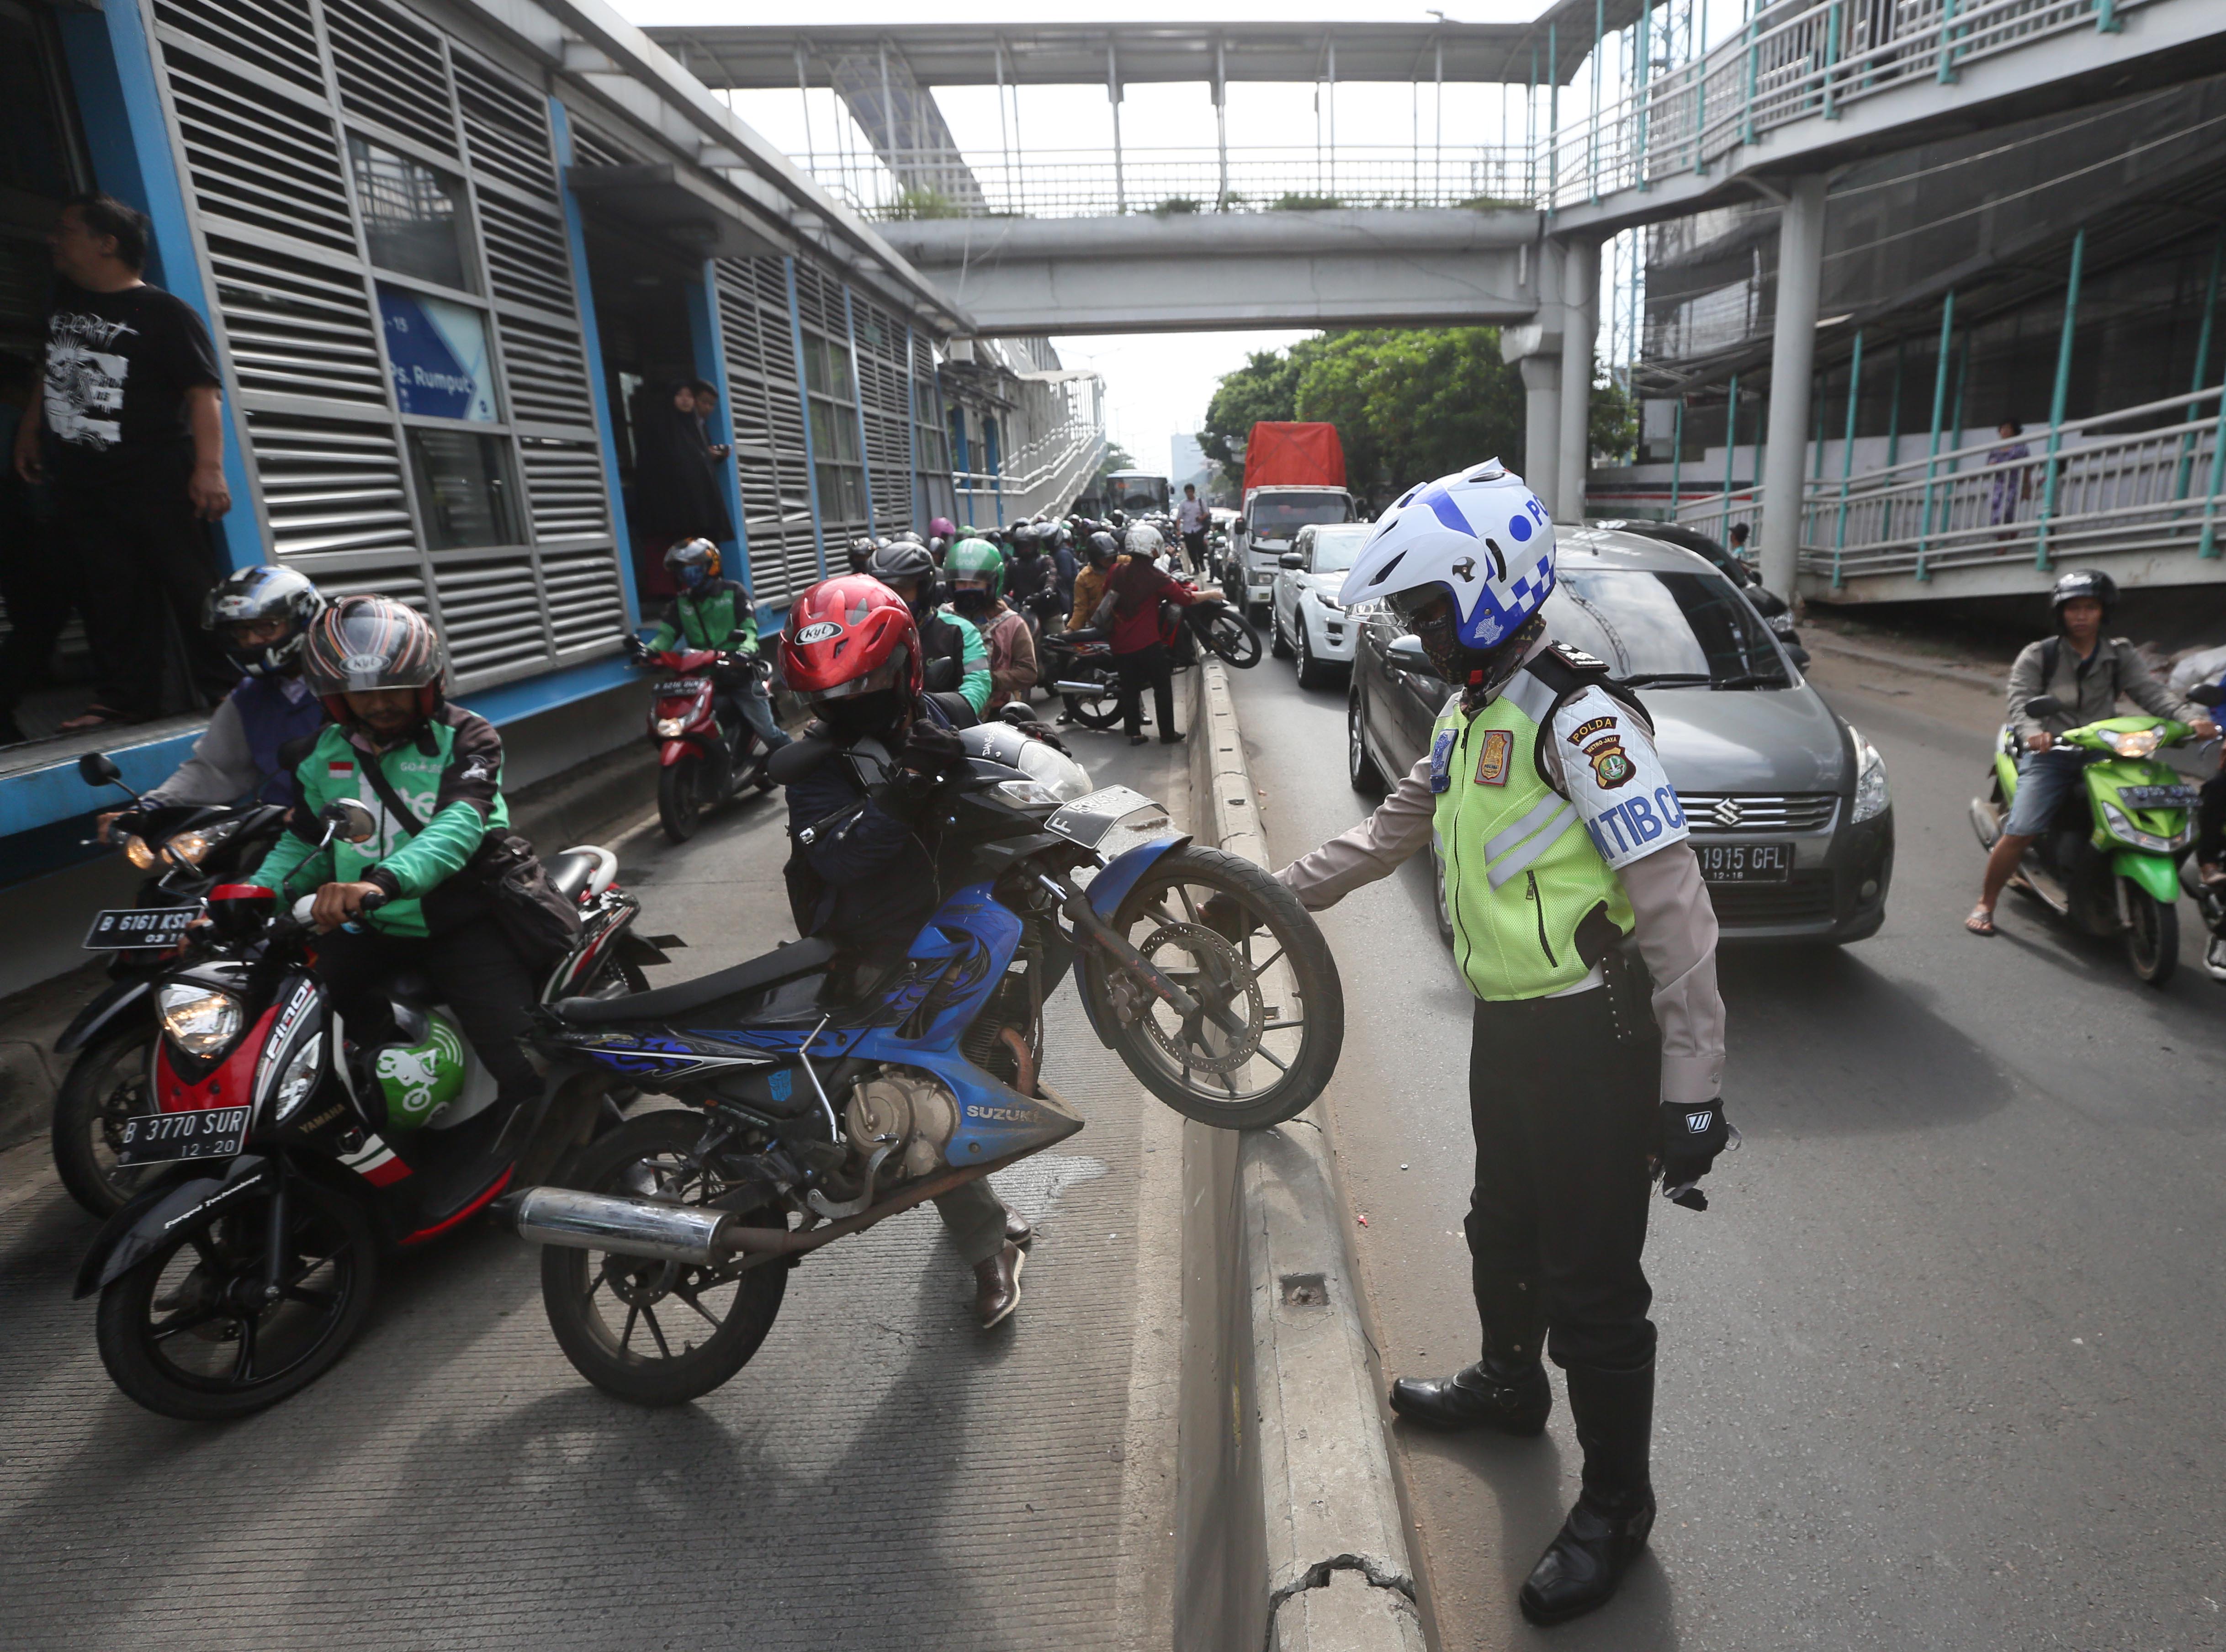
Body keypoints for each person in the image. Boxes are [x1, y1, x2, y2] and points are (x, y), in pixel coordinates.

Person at [1267, 461, 1730, 1627]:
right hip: (1511, 1029)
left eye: (1428, 608)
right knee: (1500, 1227)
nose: (1419, 633)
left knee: (1595, 1285)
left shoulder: (1580, 717)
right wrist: (1263, 895)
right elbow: (1384, 834)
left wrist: (1693, 1083)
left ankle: (1619, 1505)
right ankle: (1510, 1383)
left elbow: (1674, 907)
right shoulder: (1474, 709)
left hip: (1592, 1037)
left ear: (1481, 588)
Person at [774, 574, 1031, 1327]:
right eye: (834, 695)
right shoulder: (810, 771)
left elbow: (998, 748)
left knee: (975, 1081)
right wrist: (907, 785)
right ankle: (990, 1249)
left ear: (901, 667)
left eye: (867, 685)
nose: (851, 705)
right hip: (873, 947)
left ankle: (984, 1199)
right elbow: (847, 861)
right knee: (918, 1109)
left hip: (966, 921)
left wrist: (1019, 745)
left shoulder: (935, 713)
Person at [246, 595, 547, 1119]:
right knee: (283, 1036)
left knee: (526, 1066)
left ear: (428, 684)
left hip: (460, 918)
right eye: (359, 695)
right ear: (336, 698)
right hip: (369, 925)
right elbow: (305, 843)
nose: (378, 705)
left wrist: (381, 881)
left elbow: (459, 825)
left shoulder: (468, 738)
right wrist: (250, 899)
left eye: (394, 691)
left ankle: (609, 1156)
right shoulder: (321, 755)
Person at [15, 193, 235, 731]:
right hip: (85, 482)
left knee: (190, 587)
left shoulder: (163, 313)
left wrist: (208, 469)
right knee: (113, 592)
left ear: (107, 243)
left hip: (156, 474)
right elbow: (51, 368)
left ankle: (231, 693)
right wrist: (30, 428)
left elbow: (204, 394)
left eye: (67, 231)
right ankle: (125, 700)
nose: (55, 240)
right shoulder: (64, 302)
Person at [1967, 568, 2217, 936]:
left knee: (2158, 803)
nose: (2081, 616)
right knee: (2022, 829)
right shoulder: (2040, 655)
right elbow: (2020, 702)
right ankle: (1986, 902)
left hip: (2106, 750)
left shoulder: (2120, 654)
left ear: (2104, 611)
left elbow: (2152, 693)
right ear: (2060, 613)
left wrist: (2190, 718)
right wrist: (2035, 733)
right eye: (2073, 608)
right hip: (2053, 752)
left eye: (2090, 607)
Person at [96, 565, 329, 842]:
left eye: (266, 627)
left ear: (302, 621)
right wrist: (148, 809)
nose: (253, 640)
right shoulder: (249, 697)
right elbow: (214, 770)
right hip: (286, 838)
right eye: (242, 631)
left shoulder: (345, 686)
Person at [639, 539, 790, 758]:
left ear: (711, 566)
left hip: (739, 675)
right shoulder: (681, 603)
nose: (687, 574)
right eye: (683, 570)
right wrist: (648, 651)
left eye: (693, 567)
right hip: (702, 680)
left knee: (769, 733)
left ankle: (805, 767)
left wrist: (745, 651)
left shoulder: (734, 592)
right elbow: (666, 636)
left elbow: (749, 630)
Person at [0, 354, 70, 745]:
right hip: (23, 538)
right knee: (40, 619)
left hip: (18, 539)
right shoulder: (11, 420)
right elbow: (28, 489)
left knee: (35, 619)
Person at [864, 538, 990, 716]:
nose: (892, 598)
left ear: (924, 589)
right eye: (884, 590)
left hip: (948, 734)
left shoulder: (960, 631)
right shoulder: (865, 633)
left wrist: (940, 716)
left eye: (902, 588)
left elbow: (978, 683)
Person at [1105, 524, 1205, 747]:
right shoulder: (1156, 577)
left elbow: (1108, 597)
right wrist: (1211, 594)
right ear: (1152, 548)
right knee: (1162, 685)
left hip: (1120, 642)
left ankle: (1135, 734)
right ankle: (1167, 734)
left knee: (1129, 688)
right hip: (1147, 642)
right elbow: (1184, 598)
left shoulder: (1116, 571)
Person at [629, 381, 731, 599]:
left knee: (697, 547)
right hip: (667, 505)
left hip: (694, 505)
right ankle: (668, 594)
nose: (686, 400)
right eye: (680, 395)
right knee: (670, 548)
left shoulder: (696, 426)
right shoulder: (661, 427)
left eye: (689, 396)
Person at [946, 537, 1038, 712]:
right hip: (950, 710)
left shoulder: (1011, 623)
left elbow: (1028, 671)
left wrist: (988, 680)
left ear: (993, 584)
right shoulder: (943, 617)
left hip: (997, 713)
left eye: (975, 583)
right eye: (961, 583)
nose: (967, 589)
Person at [1987, 421, 2032, 538]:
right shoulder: (1995, 449)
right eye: (2003, 428)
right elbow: (1989, 466)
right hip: (1998, 486)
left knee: (2005, 513)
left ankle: (2007, 540)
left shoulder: (2020, 448)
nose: (2005, 431)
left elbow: (2027, 468)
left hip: (2013, 485)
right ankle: (2004, 541)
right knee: (1996, 517)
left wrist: (2026, 487)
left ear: (2014, 431)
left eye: (2008, 428)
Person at [1175, 482, 1210, 573]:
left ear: (1194, 492)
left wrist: (1201, 518)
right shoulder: (1183, 504)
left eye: (1191, 492)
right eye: (1187, 492)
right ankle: (1196, 568)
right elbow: (1179, 517)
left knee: (1200, 545)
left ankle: (1201, 562)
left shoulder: (1200, 502)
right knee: (1191, 550)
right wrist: (1178, 529)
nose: (1189, 494)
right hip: (1187, 529)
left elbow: (1206, 513)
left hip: (1198, 528)